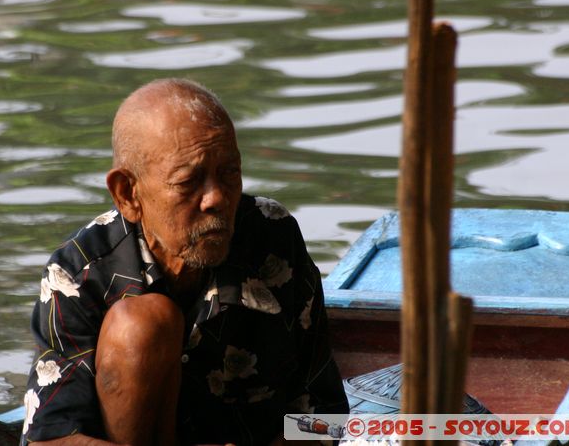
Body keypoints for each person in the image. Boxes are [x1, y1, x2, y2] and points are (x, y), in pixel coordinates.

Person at [21, 78, 348, 446]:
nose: (216, 199)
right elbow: (49, 440)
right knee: (141, 325)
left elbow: (326, 412)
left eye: (230, 173)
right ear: (128, 194)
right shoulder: (80, 272)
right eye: (188, 182)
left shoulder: (274, 239)